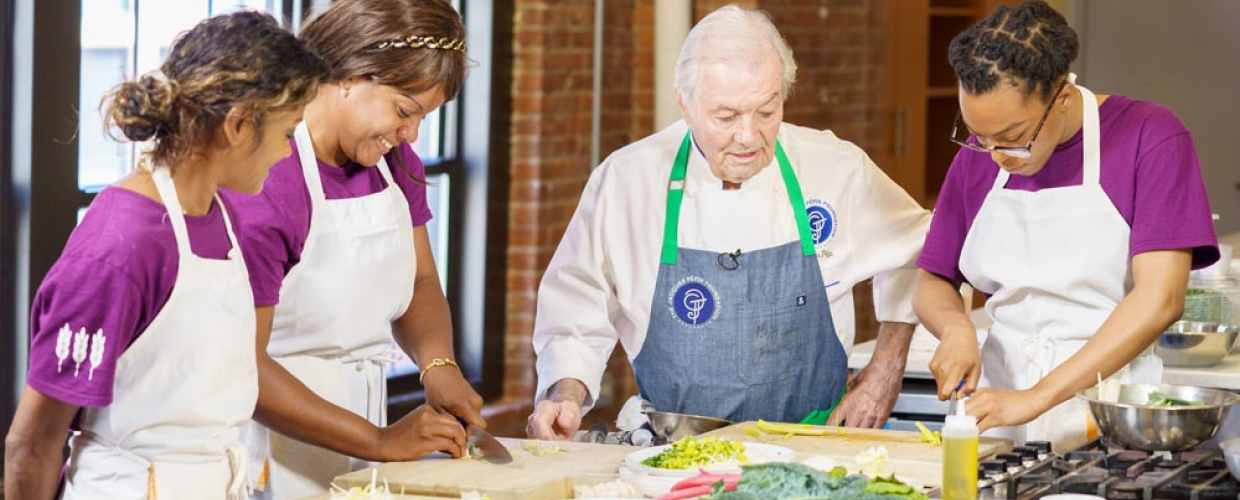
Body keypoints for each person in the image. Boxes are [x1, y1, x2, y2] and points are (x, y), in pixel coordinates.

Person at [526, 5, 931, 440]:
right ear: (685, 103)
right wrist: (565, 393)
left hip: (817, 445)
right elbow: (576, 309)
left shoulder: (836, 168)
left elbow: (925, 249)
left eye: (766, 111)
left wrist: (886, 368)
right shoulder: (627, 181)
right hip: (675, 452)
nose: (747, 137)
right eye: (726, 117)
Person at [2, 11, 328, 500]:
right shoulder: (121, 245)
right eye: (287, 132)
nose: (287, 154)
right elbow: (33, 441)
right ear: (238, 125)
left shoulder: (223, 216)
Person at [913, 0, 1219, 451]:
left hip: (1110, 413)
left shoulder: (1151, 137)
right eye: (979, 136)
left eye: (1014, 139)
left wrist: (1037, 398)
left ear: (1060, 97)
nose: (995, 154)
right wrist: (956, 328)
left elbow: (1161, 299)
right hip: (994, 410)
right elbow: (933, 279)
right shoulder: (978, 161)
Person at [219, 0, 480, 498]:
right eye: (405, 111)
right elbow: (242, 364)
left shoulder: (397, 165)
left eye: (424, 117)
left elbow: (421, 281)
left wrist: (438, 364)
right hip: (271, 444)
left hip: (365, 434)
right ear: (347, 76)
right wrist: (380, 440)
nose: (412, 134)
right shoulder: (270, 179)